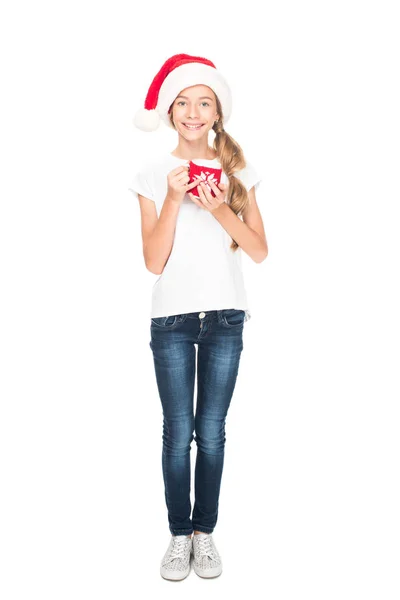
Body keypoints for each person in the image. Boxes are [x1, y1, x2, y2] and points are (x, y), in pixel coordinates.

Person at [128, 53, 268, 581]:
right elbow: (152, 262)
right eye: (183, 102)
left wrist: (216, 207)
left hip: (226, 318)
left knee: (211, 431)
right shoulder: (149, 173)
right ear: (169, 111)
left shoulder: (239, 170)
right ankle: (177, 534)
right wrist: (172, 198)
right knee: (176, 431)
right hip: (170, 320)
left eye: (203, 102)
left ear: (217, 112)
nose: (192, 112)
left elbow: (258, 251)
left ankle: (204, 533)